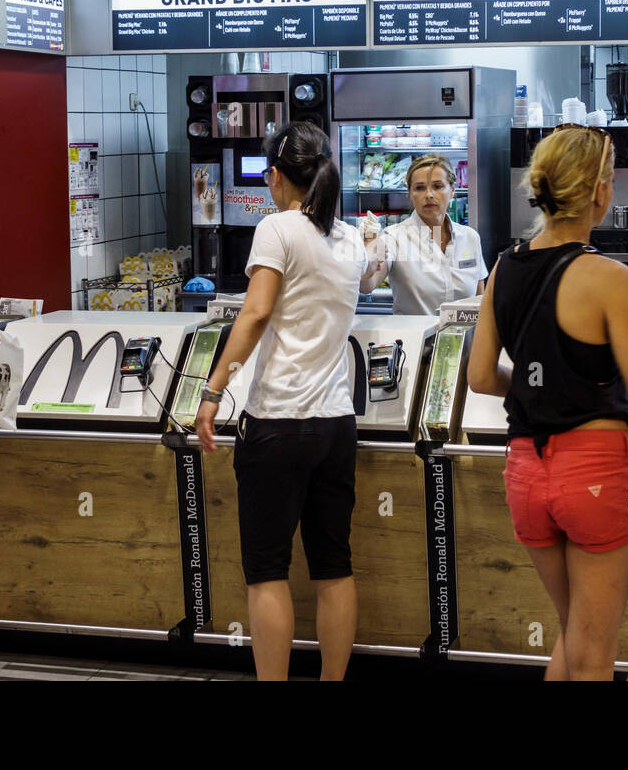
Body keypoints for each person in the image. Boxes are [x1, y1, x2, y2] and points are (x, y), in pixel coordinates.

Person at [468, 124, 628, 681]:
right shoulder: (607, 275)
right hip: (597, 471)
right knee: (595, 652)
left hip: (526, 471)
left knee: (575, 630)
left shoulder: (503, 266)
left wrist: (540, 388)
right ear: (601, 191)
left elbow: (481, 376)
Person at [195, 122, 365, 681]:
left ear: (274, 176)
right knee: (333, 566)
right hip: (336, 423)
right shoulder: (349, 238)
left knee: (267, 571)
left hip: (279, 423)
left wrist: (213, 390)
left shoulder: (277, 228)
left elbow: (256, 312)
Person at [360, 154, 486, 314]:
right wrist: (367, 248)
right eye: (419, 188)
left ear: (452, 191)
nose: (429, 195)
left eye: (438, 186)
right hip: (413, 339)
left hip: (465, 339)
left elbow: (480, 301)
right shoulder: (394, 237)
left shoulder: (470, 237)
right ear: (410, 193)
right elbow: (366, 285)